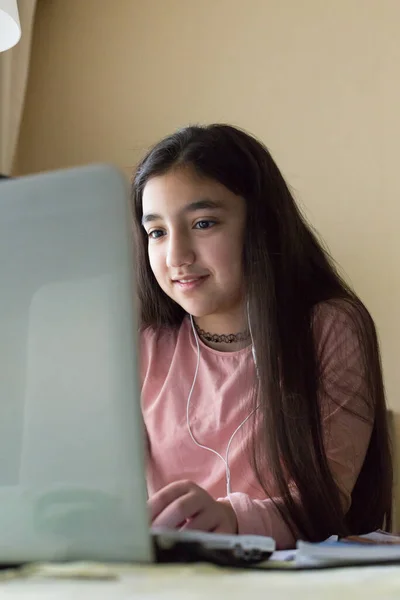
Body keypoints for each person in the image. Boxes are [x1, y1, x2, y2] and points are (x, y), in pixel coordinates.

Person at [132, 124, 392, 549]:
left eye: (203, 223)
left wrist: (232, 519)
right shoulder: (145, 345)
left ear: (262, 224)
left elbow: (324, 505)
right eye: (157, 232)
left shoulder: (329, 326)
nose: (176, 256)